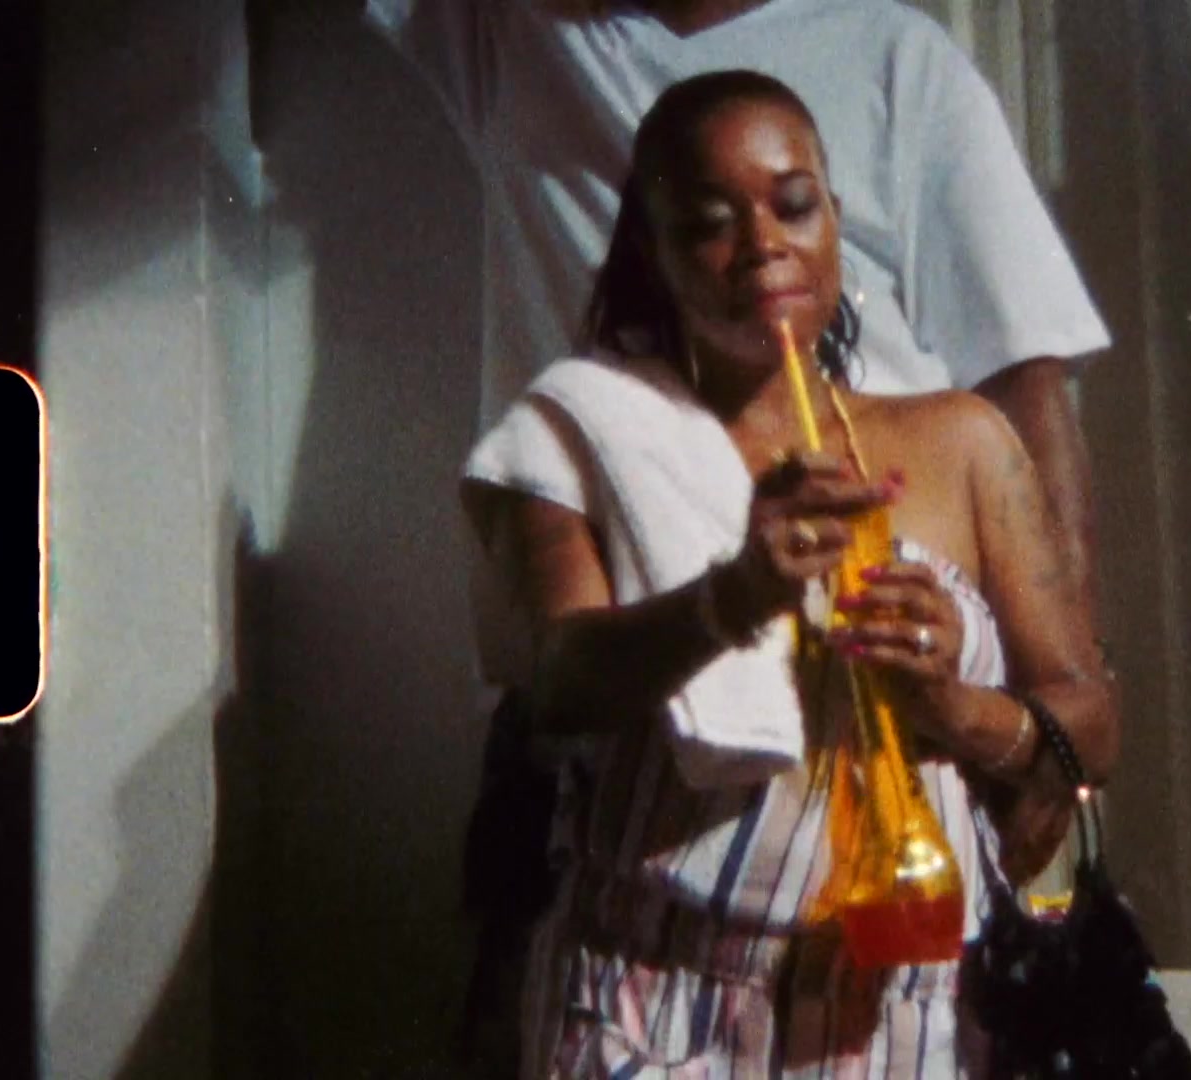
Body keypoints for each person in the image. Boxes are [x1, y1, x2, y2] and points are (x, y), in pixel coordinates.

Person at [364, 0, 1111, 1070]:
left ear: (833, 216)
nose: (760, 246)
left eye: (795, 207)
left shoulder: (896, 62)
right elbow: (565, 673)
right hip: (640, 919)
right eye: (710, 222)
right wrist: (735, 594)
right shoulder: (517, 41)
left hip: (897, 950)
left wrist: (1007, 730)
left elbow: (1028, 379)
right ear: (652, 246)